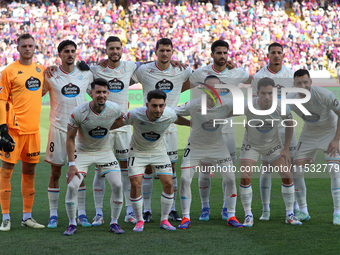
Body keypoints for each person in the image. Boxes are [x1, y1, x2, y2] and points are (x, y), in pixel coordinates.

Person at [188, 39, 252, 221]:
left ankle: (226, 207)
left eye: (225, 53)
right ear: (212, 54)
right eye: (219, 53)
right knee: (205, 170)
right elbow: (183, 86)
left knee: (228, 172)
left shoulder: (236, 72)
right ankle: (205, 208)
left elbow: (254, 82)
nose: (222, 56)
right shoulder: (200, 73)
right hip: (205, 130)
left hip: (228, 128)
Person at [110, 89, 190, 232]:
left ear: (165, 105)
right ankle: (140, 220)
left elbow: (178, 119)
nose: (158, 109)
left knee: (169, 183)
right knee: (135, 185)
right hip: (138, 152)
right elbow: (117, 123)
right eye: (154, 106)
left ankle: (164, 220)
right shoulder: (136, 114)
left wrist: (192, 124)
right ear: (147, 105)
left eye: (161, 105)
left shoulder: (169, 114)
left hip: (159, 152)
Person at [131, 38, 192, 223]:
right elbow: (124, 75)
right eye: (162, 50)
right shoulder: (144, 70)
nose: (165, 53)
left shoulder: (182, 70)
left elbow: (198, 80)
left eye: (168, 50)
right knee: (148, 168)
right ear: (155, 51)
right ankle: (147, 210)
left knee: (171, 168)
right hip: (148, 126)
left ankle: (172, 209)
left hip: (170, 127)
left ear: (172, 52)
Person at [176, 75, 243, 229]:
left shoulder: (227, 104)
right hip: (195, 147)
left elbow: (250, 108)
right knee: (186, 179)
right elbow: (172, 114)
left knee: (231, 179)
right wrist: (188, 123)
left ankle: (231, 215)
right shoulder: (193, 105)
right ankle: (186, 218)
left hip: (218, 147)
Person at [43, 40, 94, 228]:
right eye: (66, 51)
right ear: (60, 54)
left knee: (79, 174)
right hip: (57, 129)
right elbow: (35, 94)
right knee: (55, 171)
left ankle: (82, 214)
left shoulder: (86, 74)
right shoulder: (51, 75)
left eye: (73, 51)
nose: (70, 54)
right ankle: (53, 214)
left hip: (79, 131)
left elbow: (98, 93)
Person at [63, 78, 124, 236]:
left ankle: (114, 222)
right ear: (91, 93)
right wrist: (71, 164)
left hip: (105, 151)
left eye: (104, 92)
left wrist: (108, 126)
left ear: (108, 93)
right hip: (82, 152)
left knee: (118, 185)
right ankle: (71, 223)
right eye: (98, 92)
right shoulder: (79, 112)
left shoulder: (114, 109)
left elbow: (122, 119)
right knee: (71, 186)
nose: (101, 95)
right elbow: (70, 138)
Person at [238, 77, 301, 227]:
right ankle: (248, 215)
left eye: (270, 93)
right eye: (263, 93)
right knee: (245, 177)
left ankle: (289, 214)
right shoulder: (248, 105)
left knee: (287, 175)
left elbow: (290, 125)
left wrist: (285, 149)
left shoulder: (282, 107)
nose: (267, 97)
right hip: (251, 144)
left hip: (272, 145)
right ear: (257, 93)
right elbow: (227, 112)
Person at [90, 36, 138, 226]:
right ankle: (99, 213)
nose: (115, 51)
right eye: (111, 48)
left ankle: (128, 212)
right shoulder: (96, 70)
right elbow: (77, 70)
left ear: (121, 49)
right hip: (103, 128)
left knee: (126, 170)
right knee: (100, 170)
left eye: (118, 48)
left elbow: (153, 63)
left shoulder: (130, 66)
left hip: (124, 126)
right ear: (106, 50)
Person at [0, 34, 46, 231]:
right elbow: (1, 100)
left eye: (31, 46)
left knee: (29, 174)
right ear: (18, 48)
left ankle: (27, 216)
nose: (28, 49)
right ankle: (6, 217)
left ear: (35, 47)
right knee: (5, 173)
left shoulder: (41, 70)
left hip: (33, 132)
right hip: (13, 131)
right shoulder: (9, 71)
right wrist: (2, 127)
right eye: (24, 46)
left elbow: (44, 90)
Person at [251, 42, 297, 221]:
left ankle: (292, 210)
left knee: (288, 167)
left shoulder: (291, 75)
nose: (276, 55)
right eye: (273, 53)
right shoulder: (259, 76)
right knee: (267, 168)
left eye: (279, 52)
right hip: (267, 128)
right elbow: (255, 103)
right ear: (268, 55)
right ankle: (265, 210)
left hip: (286, 126)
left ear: (283, 55)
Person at [289, 69, 340, 225]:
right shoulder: (290, 99)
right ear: (294, 84)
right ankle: (303, 210)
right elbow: (279, 116)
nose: (303, 86)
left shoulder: (324, 95)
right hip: (309, 133)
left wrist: (336, 139)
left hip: (330, 131)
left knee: (334, 170)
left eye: (306, 82)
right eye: (299, 83)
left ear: (310, 82)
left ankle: (338, 211)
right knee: (296, 170)